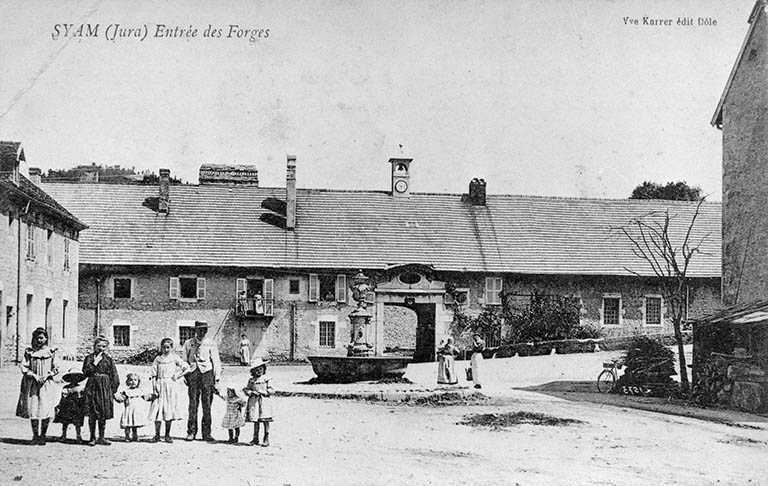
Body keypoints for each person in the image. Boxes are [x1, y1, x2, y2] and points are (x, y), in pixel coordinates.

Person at [16, 327, 59, 445]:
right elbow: (24, 367)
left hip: (46, 384)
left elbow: (56, 368)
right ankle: (35, 435)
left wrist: (47, 376)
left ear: (46, 339)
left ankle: (43, 435)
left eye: (42, 338)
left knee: (45, 408)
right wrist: (34, 375)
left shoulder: (51, 351)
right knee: (33, 409)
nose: (39, 340)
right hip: (32, 384)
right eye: (37, 338)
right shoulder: (29, 352)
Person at [182, 321, 221, 442]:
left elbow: (216, 361)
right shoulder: (189, 343)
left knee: (207, 405)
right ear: (195, 331)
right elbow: (184, 361)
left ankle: (206, 433)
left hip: (207, 375)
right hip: (193, 374)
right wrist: (185, 375)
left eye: (204, 330)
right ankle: (191, 432)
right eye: (199, 330)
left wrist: (217, 379)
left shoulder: (211, 343)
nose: (202, 332)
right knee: (193, 404)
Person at [148, 337, 190, 443]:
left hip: (170, 387)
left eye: (168, 347)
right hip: (159, 385)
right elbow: (153, 374)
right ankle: (157, 435)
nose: (166, 350)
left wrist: (177, 376)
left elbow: (187, 368)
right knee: (158, 410)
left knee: (168, 409)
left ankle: (167, 435)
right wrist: (154, 388)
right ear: (161, 348)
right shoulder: (158, 359)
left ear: (171, 348)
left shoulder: (174, 358)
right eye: (164, 347)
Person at [82, 335, 120, 446]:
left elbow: (114, 375)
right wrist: (94, 363)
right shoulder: (89, 358)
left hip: (104, 387)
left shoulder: (108, 359)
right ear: (94, 346)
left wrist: (113, 389)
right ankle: (92, 437)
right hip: (92, 385)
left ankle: (102, 437)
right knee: (93, 412)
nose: (101, 348)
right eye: (99, 346)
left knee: (102, 412)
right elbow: (85, 372)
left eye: (104, 346)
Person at [243, 356, 274, 447]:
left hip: (264, 402)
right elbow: (246, 389)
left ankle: (266, 437)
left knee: (265, 419)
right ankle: (255, 437)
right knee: (256, 420)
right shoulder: (251, 380)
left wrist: (264, 392)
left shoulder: (266, 379)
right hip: (254, 402)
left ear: (264, 369)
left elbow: (272, 390)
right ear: (253, 371)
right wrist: (251, 392)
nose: (259, 371)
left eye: (261, 369)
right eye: (256, 369)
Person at [115, 373, 152, 442]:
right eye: (131, 380)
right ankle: (127, 436)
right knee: (128, 424)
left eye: (135, 380)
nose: (133, 382)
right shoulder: (126, 391)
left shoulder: (140, 390)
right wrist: (116, 397)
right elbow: (121, 399)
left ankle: (135, 435)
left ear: (138, 381)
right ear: (128, 381)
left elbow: (146, 397)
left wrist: (152, 396)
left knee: (135, 424)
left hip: (136, 411)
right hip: (129, 410)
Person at [54, 368, 87, 443]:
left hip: (77, 406)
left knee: (77, 423)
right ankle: (63, 435)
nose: (74, 379)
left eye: (76, 377)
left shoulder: (81, 388)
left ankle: (78, 436)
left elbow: (83, 397)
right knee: (65, 422)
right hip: (67, 406)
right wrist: (59, 405)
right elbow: (63, 397)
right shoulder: (66, 387)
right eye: (72, 377)